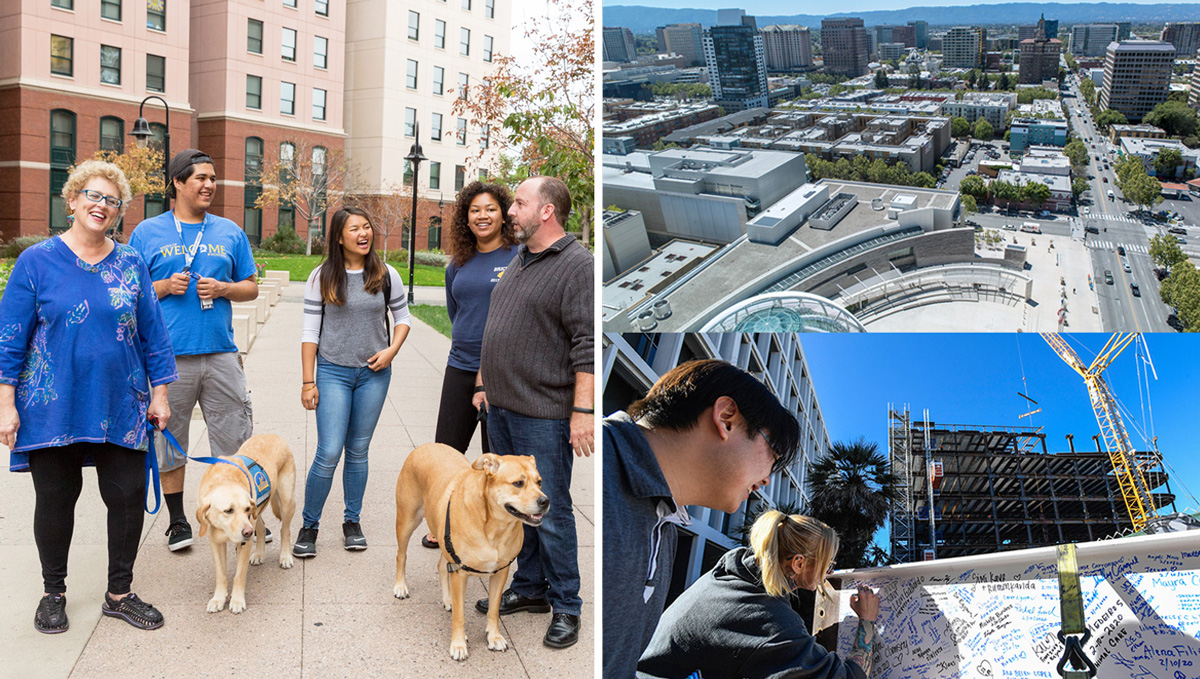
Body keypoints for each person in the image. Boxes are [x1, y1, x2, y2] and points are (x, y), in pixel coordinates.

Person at [0, 160, 178, 632]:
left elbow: (154, 337)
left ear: (119, 212)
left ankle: (120, 593)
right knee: (56, 500)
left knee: (125, 498)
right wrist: (6, 404)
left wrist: (160, 395)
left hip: (122, 403)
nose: (101, 206)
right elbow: (10, 337)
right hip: (51, 404)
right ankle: (52, 592)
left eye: (112, 201)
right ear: (73, 200)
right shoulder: (36, 262)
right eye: (93, 196)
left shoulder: (132, 263)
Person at [603, 359, 803, 679]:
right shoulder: (601, 466)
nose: (767, 479)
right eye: (774, 455)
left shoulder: (666, 523)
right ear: (726, 419)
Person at [473, 176, 594, 649]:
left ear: (546, 211)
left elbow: (585, 342)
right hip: (502, 406)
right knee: (517, 507)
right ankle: (529, 589)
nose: (510, 211)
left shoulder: (576, 266)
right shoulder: (521, 259)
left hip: (542, 413)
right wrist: (484, 383)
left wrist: (582, 410)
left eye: (520, 203)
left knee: (552, 510)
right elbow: (497, 327)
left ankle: (567, 606)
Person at [129, 149, 260, 553]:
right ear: (178, 183)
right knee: (169, 440)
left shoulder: (230, 232)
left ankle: (243, 516)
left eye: (213, 178)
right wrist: (165, 287)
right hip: (167, 360)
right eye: (200, 178)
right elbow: (128, 294)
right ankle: (178, 521)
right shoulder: (147, 233)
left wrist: (223, 289)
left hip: (221, 352)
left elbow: (251, 286)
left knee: (235, 439)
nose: (209, 185)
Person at [292, 206, 410, 557]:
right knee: (328, 451)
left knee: (358, 451)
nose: (364, 233)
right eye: (355, 228)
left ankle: (351, 522)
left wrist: (391, 351)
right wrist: (307, 381)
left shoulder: (386, 273)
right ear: (339, 237)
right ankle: (309, 525)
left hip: (374, 375)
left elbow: (403, 319)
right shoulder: (322, 277)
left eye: (367, 226)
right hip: (332, 372)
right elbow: (310, 332)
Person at [637, 510, 880, 679]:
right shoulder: (765, 616)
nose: (830, 571)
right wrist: (867, 621)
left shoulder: (734, 575)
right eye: (827, 564)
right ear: (798, 563)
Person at [425, 181, 517, 549]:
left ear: (503, 214)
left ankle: (490, 526)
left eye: (490, 209)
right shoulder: (458, 264)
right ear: (466, 217)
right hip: (459, 367)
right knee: (445, 451)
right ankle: (441, 521)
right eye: (475, 210)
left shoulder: (517, 258)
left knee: (493, 456)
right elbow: (456, 313)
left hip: (500, 371)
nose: (482, 216)